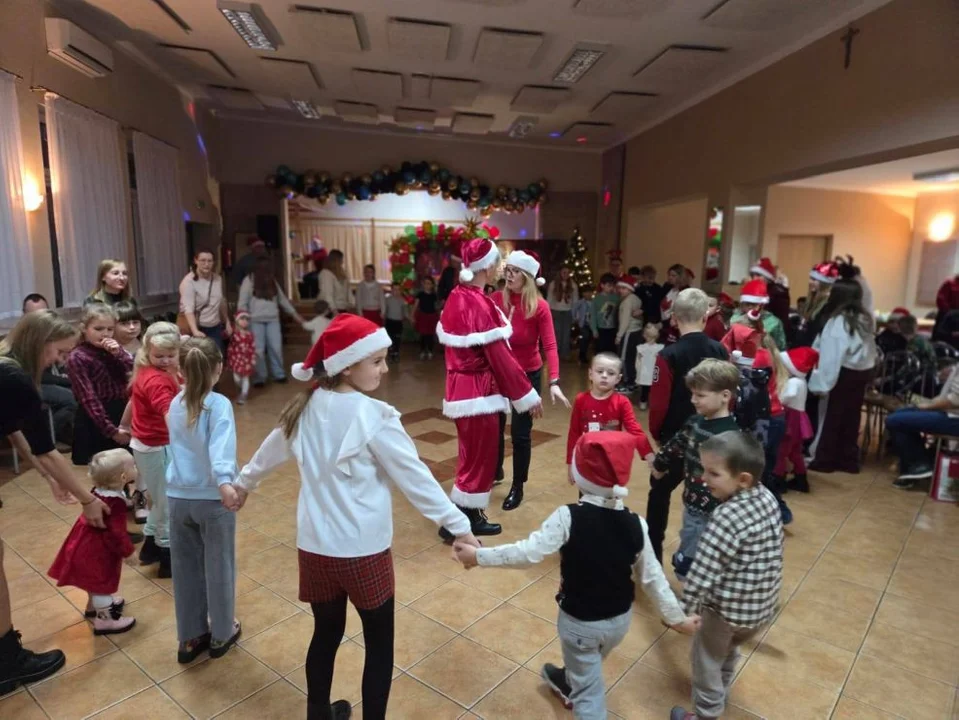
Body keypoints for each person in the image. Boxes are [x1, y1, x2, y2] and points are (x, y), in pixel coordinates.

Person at [237, 314, 480, 720]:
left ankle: (317, 713)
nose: (385, 369)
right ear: (347, 365)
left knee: (326, 633)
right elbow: (416, 479)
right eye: (378, 361)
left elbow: (266, 454)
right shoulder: (375, 417)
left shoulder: (303, 408)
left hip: (314, 548)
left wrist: (242, 485)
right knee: (379, 644)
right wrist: (461, 526)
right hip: (364, 551)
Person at [454, 432, 700, 719]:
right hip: (619, 623)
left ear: (582, 474)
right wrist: (676, 619)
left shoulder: (566, 517)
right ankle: (570, 680)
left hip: (580, 625)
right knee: (589, 661)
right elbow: (654, 580)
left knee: (589, 697)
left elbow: (527, 554)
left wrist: (478, 557)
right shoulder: (637, 524)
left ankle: (578, 686)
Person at [0, 310, 113, 696]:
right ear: (42, 342)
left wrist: (49, 479)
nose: (59, 361)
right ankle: (6, 662)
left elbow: (14, 430)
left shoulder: (5, 362)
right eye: (59, 352)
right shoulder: (15, 377)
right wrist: (87, 500)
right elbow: (47, 450)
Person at [670, 432, 783, 720]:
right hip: (759, 610)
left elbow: (703, 572)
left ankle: (707, 713)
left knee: (705, 660)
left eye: (713, 473)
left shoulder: (726, 516)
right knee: (729, 650)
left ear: (742, 479)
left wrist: (684, 613)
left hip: (724, 613)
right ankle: (722, 690)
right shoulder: (768, 498)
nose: (703, 478)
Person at [436, 238, 542, 537]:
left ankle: (462, 518)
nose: (500, 269)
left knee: (472, 456)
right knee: (479, 458)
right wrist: (526, 395)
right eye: (498, 262)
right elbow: (500, 358)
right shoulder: (478, 303)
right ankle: (461, 522)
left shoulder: (459, 296)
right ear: (487, 266)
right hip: (478, 393)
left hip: (461, 390)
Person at [166, 337, 243, 663]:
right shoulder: (219, 405)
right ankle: (222, 633)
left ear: (180, 370)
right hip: (213, 500)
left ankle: (190, 637)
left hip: (178, 498)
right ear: (219, 368)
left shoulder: (175, 403)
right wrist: (225, 483)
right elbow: (220, 447)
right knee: (219, 565)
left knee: (184, 569)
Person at [647, 289, 728, 562]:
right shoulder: (720, 350)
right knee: (709, 501)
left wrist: (658, 434)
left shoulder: (668, 354)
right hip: (713, 437)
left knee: (659, 491)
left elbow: (658, 403)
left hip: (675, 438)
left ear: (674, 318)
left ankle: (654, 555)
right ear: (706, 316)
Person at [650, 359, 741, 580]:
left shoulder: (732, 436)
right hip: (692, 507)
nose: (693, 400)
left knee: (704, 561)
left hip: (719, 513)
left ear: (725, 396)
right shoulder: (695, 422)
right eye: (693, 394)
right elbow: (676, 445)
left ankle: (695, 603)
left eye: (700, 395)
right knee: (690, 548)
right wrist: (659, 465)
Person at [494, 250, 569, 511]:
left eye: (515, 271)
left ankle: (518, 485)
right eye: (508, 269)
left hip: (527, 375)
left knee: (520, 433)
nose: (509, 274)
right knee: (493, 425)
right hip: (499, 372)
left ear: (526, 277)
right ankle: (495, 470)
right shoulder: (495, 299)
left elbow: (550, 345)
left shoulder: (540, 307)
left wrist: (555, 381)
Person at [47, 449, 137, 635]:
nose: (136, 468)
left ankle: (92, 607)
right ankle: (105, 621)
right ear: (123, 476)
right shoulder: (115, 504)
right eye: (133, 466)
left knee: (93, 582)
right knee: (100, 584)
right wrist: (128, 551)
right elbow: (116, 533)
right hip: (96, 551)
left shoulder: (97, 492)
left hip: (83, 543)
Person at [125, 323, 181, 577]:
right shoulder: (157, 379)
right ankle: (168, 558)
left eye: (171, 355)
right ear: (148, 351)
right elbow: (167, 411)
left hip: (148, 445)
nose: (165, 360)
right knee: (168, 503)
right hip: (157, 446)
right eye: (160, 356)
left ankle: (150, 547)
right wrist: (185, 440)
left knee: (159, 500)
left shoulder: (146, 370)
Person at [807, 279, 877, 473]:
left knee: (832, 417)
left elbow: (832, 354)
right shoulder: (864, 318)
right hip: (861, 372)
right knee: (851, 417)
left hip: (842, 373)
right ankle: (847, 459)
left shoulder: (838, 321)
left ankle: (825, 459)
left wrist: (822, 381)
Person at [566, 353, 654, 478]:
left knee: (611, 495)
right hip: (586, 460)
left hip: (611, 462)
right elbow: (574, 432)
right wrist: (571, 463)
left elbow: (634, 430)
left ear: (618, 379)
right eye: (600, 371)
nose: (604, 376)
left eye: (611, 373)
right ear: (590, 374)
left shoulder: (622, 402)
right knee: (586, 496)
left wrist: (648, 453)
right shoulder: (581, 400)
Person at [66, 304, 133, 465]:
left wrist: (120, 354)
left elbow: (135, 371)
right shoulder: (77, 357)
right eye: (98, 329)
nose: (105, 334)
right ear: (84, 328)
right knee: (102, 470)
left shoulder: (113, 350)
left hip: (121, 411)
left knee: (127, 466)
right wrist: (111, 431)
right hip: (96, 419)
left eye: (110, 329)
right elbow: (88, 399)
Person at [886, 363, 959, 488]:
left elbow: (955, 400)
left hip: (954, 419)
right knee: (900, 413)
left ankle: (919, 464)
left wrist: (925, 406)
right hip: (949, 413)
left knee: (895, 420)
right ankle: (916, 466)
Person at [238, 257, 307, 386]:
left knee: (276, 348)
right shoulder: (248, 281)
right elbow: (242, 303)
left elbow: (283, 301)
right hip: (255, 321)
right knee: (258, 351)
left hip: (273, 320)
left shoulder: (272, 281)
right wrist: (242, 320)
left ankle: (278, 374)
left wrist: (296, 316)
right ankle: (260, 378)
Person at [22, 294, 76, 447]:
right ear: (24, 315)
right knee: (70, 398)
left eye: (44, 312)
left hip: (48, 381)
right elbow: (40, 378)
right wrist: (68, 381)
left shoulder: (52, 334)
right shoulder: (27, 338)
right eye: (33, 314)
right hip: (31, 385)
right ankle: (43, 438)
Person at [774, 347, 819, 493]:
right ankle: (801, 478)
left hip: (791, 419)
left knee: (782, 450)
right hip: (799, 418)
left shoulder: (794, 382)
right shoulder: (802, 381)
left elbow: (788, 396)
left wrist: (778, 398)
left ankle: (778, 480)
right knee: (795, 452)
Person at [180, 250, 232, 354]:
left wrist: (227, 322)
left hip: (215, 326)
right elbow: (188, 308)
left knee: (217, 357)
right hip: (197, 327)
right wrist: (195, 331)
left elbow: (221, 301)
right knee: (200, 361)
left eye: (210, 261)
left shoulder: (218, 279)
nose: (206, 264)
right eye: (203, 260)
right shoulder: (189, 281)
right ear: (196, 261)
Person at [728, 279, 786, 351]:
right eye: (747, 304)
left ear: (763, 305)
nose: (750, 307)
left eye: (754, 304)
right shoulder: (735, 318)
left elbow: (780, 348)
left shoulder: (774, 323)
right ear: (742, 304)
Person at [794, 261, 838, 347]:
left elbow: (817, 332)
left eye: (814, 280)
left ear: (824, 283)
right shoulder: (811, 300)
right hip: (800, 350)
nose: (810, 282)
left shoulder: (827, 306)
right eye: (810, 278)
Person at [615, 274, 644, 394]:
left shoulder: (627, 301)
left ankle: (627, 382)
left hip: (628, 332)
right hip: (636, 331)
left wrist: (619, 336)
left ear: (630, 289)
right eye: (620, 288)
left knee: (625, 358)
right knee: (631, 358)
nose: (621, 290)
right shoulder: (636, 299)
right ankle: (632, 381)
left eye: (624, 288)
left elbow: (625, 320)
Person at [749, 257, 790, 332]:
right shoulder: (755, 291)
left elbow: (782, 322)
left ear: (767, 277)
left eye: (758, 275)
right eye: (752, 275)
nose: (754, 278)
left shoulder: (778, 294)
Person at [548, 266, 579, 360]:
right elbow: (549, 299)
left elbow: (575, 300)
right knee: (557, 333)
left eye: (567, 273)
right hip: (555, 311)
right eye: (563, 272)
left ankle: (564, 353)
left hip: (567, 311)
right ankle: (555, 353)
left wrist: (575, 314)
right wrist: (548, 311)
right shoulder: (553, 284)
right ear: (560, 273)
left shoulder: (573, 285)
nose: (565, 275)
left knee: (566, 333)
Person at [227, 311, 255, 405]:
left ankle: (244, 394)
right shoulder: (234, 334)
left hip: (246, 360)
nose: (244, 321)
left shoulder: (249, 335)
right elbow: (230, 346)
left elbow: (252, 347)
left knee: (246, 377)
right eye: (242, 319)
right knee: (237, 378)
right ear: (237, 320)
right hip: (236, 360)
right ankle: (241, 389)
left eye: (247, 319)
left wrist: (253, 358)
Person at [635, 324, 664, 410]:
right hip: (646, 372)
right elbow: (638, 362)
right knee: (646, 389)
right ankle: (644, 402)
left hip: (652, 372)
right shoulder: (641, 348)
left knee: (653, 390)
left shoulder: (660, 348)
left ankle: (649, 402)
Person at [590, 274, 620, 355]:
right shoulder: (597, 299)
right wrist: (594, 329)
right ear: (602, 285)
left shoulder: (616, 298)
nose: (611, 288)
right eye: (609, 286)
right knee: (600, 350)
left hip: (613, 329)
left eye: (613, 286)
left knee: (612, 350)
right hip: (601, 329)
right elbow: (593, 315)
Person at [318, 249, 353, 315]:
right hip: (331, 310)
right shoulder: (326, 274)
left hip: (342, 308)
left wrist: (350, 304)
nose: (342, 262)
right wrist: (334, 310)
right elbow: (327, 294)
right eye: (341, 260)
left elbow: (348, 290)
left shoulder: (342, 273)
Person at [413, 276, 439, 360]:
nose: (427, 285)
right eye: (425, 283)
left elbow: (436, 307)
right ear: (423, 284)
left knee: (430, 335)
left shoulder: (434, 295)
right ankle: (422, 351)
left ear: (432, 285)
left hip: (432, 317)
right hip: (423, 316)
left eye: (429, 283)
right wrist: (412, 315)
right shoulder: (420, 295)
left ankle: (430, 351)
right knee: (423, 335)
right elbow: (415, 306)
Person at [572, 287, 594, 365]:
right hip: (583, 323)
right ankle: (582, 355)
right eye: (586, 292)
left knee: (588, 340)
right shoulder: (580, 302)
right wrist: (575, 319)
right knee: (584, 338)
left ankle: (585, 355)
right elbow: (574, 310)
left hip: (592, 324)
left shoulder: (594, 302)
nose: (588, 294)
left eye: (589, 292)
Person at [383, 287, 406, 361]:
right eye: (394, 289)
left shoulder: (402, 300)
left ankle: (396, 352)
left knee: (397, 338)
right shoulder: (387, 300)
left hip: (398, 322)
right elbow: (385, 310)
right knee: (390, 337)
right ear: (391, 290)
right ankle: (391, 352)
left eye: (398, 289)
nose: (396, 291)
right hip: (390, 321)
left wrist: (407, 317)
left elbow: (404, 311)